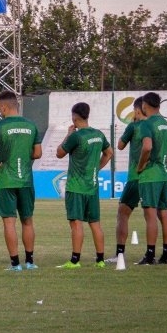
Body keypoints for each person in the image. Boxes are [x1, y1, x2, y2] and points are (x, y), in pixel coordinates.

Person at [0, 90, 42, 271]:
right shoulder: (31, 125)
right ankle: (30, 262)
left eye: (0, 107)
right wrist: (22, 154)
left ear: (4, 107)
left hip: (6, 179)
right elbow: (38, 153)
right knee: (27, 221)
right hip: (26, 180)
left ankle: (15, 264)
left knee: (9, 222)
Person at [55, 102, 113, 269]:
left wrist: (67, 134)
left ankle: (75, 260)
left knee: (76, 223)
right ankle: (100, 260)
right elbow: (109, 153)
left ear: (74, 117)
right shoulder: (98, 134)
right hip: (92, 187)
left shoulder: (76, 136)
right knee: (95, 223)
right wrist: (97, 167)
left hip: (76, 187)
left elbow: (59, 153)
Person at [136, 91, 167, 265]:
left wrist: (141, 166)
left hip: (150, 176)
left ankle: (150, 256)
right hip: (164, 175)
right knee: (163, 214)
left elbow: (147, 147)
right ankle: (165, 255)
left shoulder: (146, 124)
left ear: (144, 105)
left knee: (150, 216)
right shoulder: (165, 124)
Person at [104, 97, 146, 264]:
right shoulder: (159, 126)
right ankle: (161, 253)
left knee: (122, 213)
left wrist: (131, 125)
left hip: (137, 177)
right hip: (159, 177)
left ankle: (119, 254)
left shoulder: (134, 126)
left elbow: (120, 146)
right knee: (159, 214)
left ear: (137, 110)